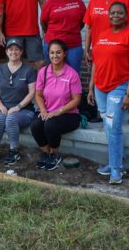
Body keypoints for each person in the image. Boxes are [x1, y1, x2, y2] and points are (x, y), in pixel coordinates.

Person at [87, 2, 129, 184]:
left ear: (126, 16)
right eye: (112, 13)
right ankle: (116, 161)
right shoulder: (102, 35)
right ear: (108, 15)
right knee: (108, 126)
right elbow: (96, 63)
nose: (115, 15)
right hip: (100, 87)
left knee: (113, 127)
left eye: (120, 13)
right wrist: (90, 87)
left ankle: (115, 169)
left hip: (120, 86)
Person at [31, 40, 82, 171]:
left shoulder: (72, 74)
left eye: (58, 52)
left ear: (65, 54)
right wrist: (42, 110)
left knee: (50, 124)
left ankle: (54, 154)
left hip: (68, 114)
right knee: (36, 125)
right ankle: (46, 153)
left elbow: (76, 100)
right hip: (47, 111)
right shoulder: (43, 72)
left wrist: (58, 112)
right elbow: (38, 94)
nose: (55, 56)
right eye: (52, 52)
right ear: (48, 54)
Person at [0, 38, 36, 165]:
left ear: (21, 52)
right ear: (6, 52)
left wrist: (18, 107)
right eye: (10, 49)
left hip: (24, 110)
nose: (13, 52)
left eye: (17, 49)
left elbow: (32, 93)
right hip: (1, 106)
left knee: (11, 118)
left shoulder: (28, 70)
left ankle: (14, 151)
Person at [40, 0, 86, 73]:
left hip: (73, 45)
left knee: (73, 73)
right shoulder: (50, 3)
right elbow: (43, 22)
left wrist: (71, 30)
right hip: (52, 44)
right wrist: (50, 32)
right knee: (52, 72)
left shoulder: (79, 3)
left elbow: (82, 23)